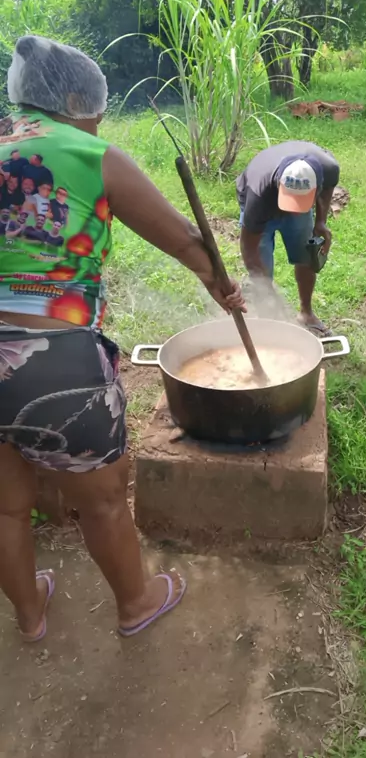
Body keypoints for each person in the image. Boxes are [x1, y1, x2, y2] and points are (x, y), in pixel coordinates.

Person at [0, 35, 245, 642]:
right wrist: (223, 286)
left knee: (4, 504)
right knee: (103, 499)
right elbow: (185, 239)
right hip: (50, 357)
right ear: (75, 101)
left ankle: (29, 614)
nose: (100, 121)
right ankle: (136, 603)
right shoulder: (92, 154)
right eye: (98, 110)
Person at [236, 141, 340, 334]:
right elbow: (249, 249)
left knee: (306, 255)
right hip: (264, 202)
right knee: (261, 274)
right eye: (290, 202)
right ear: (279, 185)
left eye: (299, 202)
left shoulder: (328, 168)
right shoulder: (258, 195)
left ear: (316, 188)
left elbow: (327, 190)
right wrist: (268, 291)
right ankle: (269, 325)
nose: (292, 211)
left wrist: (321, 222)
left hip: (289, 194)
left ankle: (306, 314)